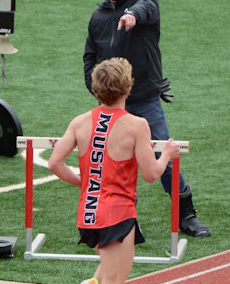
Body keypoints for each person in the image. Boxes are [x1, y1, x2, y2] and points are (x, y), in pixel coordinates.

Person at [48, 58, 180, 284]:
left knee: (109, 272)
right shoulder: (137, 125)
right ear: (129, 88)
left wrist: (86, 182)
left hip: (89, 213)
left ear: (96, 89)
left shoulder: (79, 123)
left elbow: (54, 163)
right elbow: (151, 174)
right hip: (117, 214)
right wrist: (168, 155)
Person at [83, 0, 210, 237]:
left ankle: (186, 215)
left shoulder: (144, 7)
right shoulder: (98, 17)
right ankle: (126, 222)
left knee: (165, 159)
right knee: (116, 162)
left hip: (144, 99)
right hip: (110, 104)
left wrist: (132, 14)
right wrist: (96, 89)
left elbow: (147, 7)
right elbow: (90, 56)